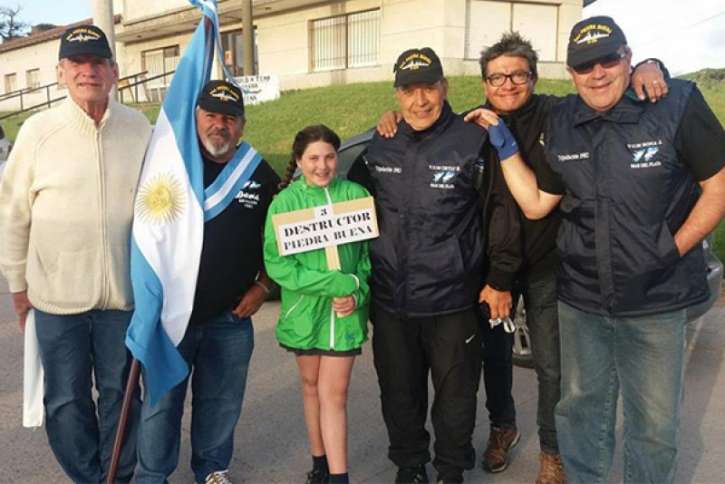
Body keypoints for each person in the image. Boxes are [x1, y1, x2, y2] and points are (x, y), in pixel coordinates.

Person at [376, 34, 666, 483]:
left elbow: (601, 85)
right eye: (497, 77)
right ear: (484, 83)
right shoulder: (474, 126)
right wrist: (391, 119)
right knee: (494, 360)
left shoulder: (556, 112)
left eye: (517, 75)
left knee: (550, 365)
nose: (507, 84)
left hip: (547, 261)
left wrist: (649, 66)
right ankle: (502, 427)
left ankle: (551, 450)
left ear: (533, 77)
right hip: (495, 268)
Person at [480, 16, 725, 484]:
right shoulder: (562, 121)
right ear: (570, 73)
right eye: (583, 65)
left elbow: (718, 187)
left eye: (608, 59)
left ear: (628, 58)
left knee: (654, 427)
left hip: (657, 298)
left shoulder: (675, 102)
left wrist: (669, 251)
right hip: (582, 300)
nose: (597, 73)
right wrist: (505, 147)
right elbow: (536, 204)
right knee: (580, 414)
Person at [349, 47, 522, 484]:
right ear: (397, 95)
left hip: (453, 301)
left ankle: (450, 469)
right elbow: (349, 206)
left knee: (456, 397)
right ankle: (410, 467)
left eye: (428, 88)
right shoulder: (380, 142)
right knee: (399, 395)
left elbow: (500, 213)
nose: (420, 100)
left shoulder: (472, 140)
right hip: (392, 301)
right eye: (409, 91)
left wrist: (499, 277)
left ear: (444, 88)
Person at [0, 25, 151, 482]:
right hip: (57, 300)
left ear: (114, 71)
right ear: (61, 72)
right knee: (65, 402)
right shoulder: (38, 131)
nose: (89, 72)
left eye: (98, 62)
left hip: (123, 300)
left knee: (123, 396)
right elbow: (13, 213)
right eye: (78, 64)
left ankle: (116, 476)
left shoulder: (140, 128)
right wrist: (18, 285)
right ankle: (89, 477)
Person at [135, 80, 279, 484]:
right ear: (196, 118)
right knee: (161, 404)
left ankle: (212, 470)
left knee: (221, 402)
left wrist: (264, 286)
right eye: (211, 115)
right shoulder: (170, 167)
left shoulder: (258, 173)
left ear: (242, 125)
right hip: (169, 315)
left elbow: (281, 239)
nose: (220, 125)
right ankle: (152, 476)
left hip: (230, 317)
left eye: (230, 118)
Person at [264, 124, 371, 484]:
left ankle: (339, 477)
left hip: (345, 314)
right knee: (311, 386)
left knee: (334, 394)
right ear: (299, 161)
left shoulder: (356, 195)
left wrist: (356, 290)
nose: (322, 166)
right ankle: (319, 462)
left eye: (329, 157)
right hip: (305, 315)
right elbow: (278, 264)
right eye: (313, 158)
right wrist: (334, 284)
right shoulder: (284, 203)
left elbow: (369, 258)